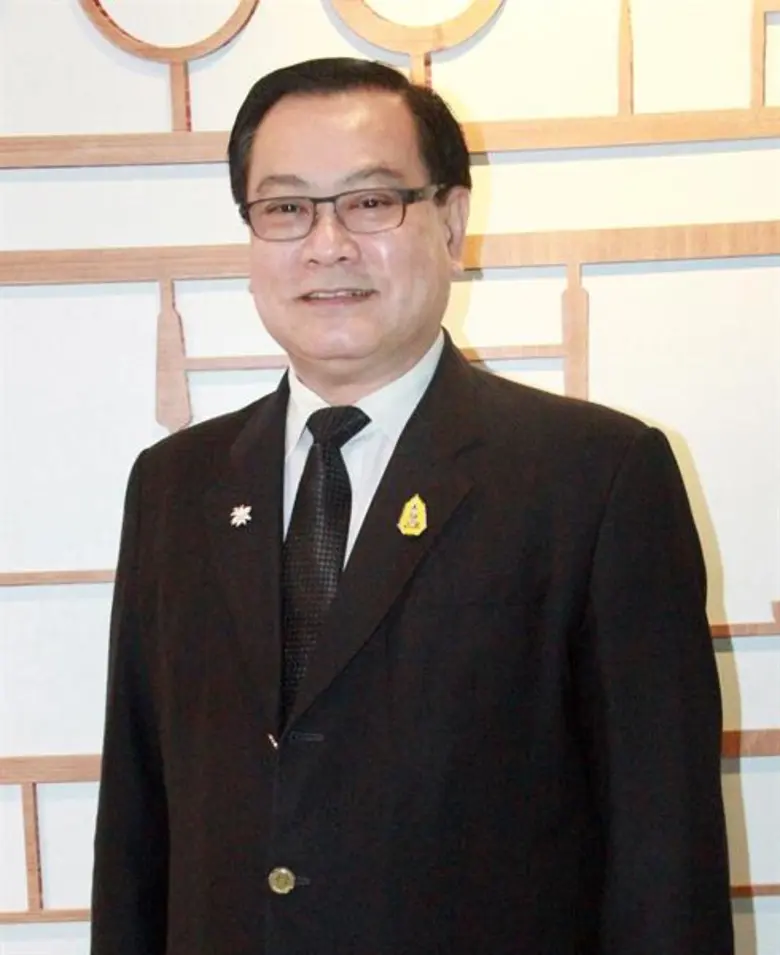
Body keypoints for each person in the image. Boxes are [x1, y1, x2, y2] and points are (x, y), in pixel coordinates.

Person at [90, 57, 734, 955]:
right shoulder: (174, 485)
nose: (327, 244)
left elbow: (666, 852)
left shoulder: (596, 478)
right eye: (286, 208)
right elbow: (137, 826)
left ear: (452, 221)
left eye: (370, 201)